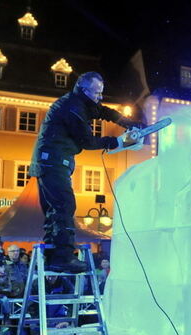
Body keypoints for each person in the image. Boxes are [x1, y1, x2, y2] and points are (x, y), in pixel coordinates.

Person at [29, 71, 145, 273]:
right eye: (96, 92)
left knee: (56, 210)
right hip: (52, 161)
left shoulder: (81, 103)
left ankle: (52, 257)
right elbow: (87, 141)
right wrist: (118, 142)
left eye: (101, 92)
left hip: (53, 161)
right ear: (84, 90)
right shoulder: (73, 109)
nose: (99, 97)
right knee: (64, 205)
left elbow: (103, 111)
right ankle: (62, 257)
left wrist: (127, 122)